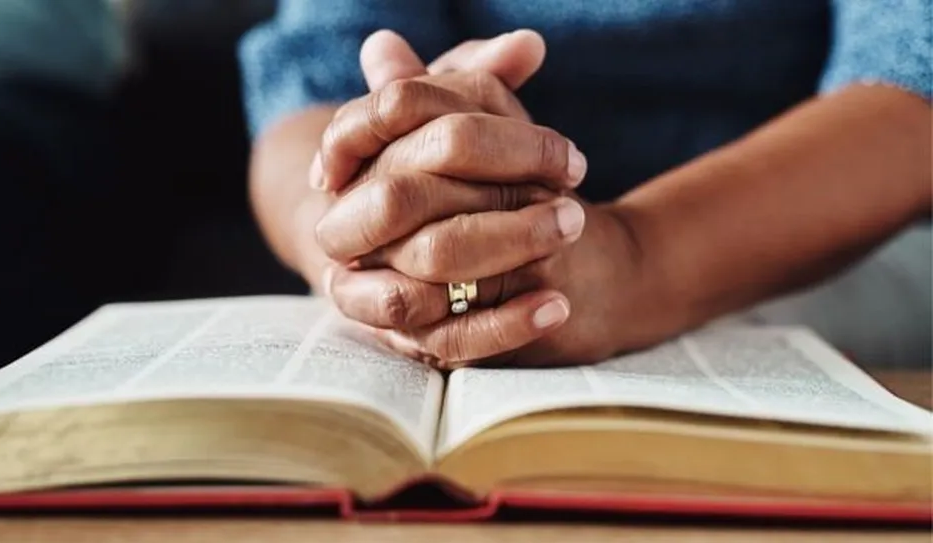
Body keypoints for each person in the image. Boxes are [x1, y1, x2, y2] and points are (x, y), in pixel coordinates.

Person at [239, 1, 930, 369]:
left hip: (805, 236)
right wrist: (374, 215)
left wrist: (634, 257)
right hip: (534, 256)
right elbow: (315, 77)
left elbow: (911, 82)